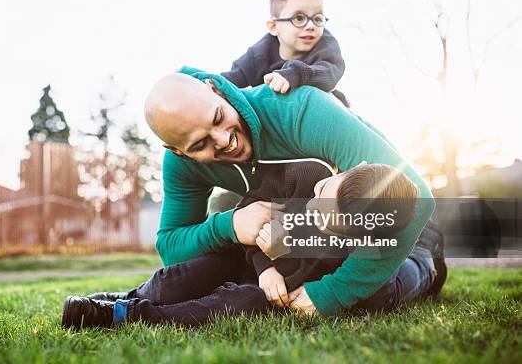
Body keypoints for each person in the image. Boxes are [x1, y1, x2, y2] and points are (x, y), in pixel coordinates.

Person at [61, 67, 445, 326]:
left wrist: (335, 291)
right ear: (175, 150)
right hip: (303, 242)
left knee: (375, 294)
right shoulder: (179, 165)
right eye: (201, 144)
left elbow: (417, 200)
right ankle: (119, 305)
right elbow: (172, 248)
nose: (224, 140)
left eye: (217, 120)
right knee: (217, 264)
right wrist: (231, 225)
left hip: (393, 218)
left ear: (215, 91)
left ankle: (428, 265)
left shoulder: (302, 111)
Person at [61, 161, 424, 329]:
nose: (313, 211)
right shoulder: (305, 174)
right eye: (322, 198)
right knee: (175, 281)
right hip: (246, 261)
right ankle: (120, 298)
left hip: (269, 290)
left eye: (330, 221)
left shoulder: (357, 245)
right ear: (346, 169)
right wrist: (265, 265)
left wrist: (281, 270)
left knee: (244, 302)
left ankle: (126, 315)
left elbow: (314, 279)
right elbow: (249, 214)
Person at [221, 0, 350, 107]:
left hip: (324, 109)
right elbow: (230, 80)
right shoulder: (259, 54)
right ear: (273, 27)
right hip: (279, 116)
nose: (311, 26)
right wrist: (211, 84)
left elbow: (331, 72)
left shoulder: (325, 43)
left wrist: (296, 74)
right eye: (299, 18)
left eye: (317, 18)